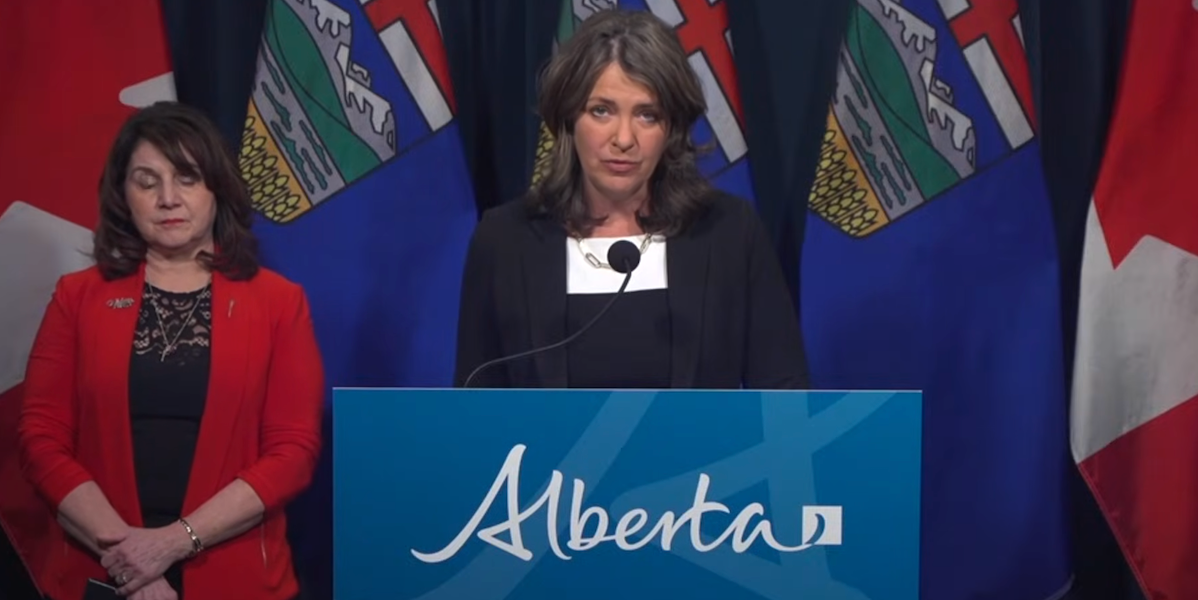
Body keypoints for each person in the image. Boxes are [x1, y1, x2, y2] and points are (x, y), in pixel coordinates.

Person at [18, 101, 324, 600]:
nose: (167, 198)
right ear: (123, 195)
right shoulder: (78, 297)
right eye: (147, 181)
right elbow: (41, 438)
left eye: (186, 177)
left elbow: (293, 451)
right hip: (101, 576)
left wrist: (172, 544)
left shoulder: (278, 302)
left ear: (215, 189)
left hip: (237, 579)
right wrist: (132, 561)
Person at [454, 8, 807, 389]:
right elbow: (475, 410)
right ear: (569, 119)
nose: (623, 139)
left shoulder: (729, 233)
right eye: (601, 111)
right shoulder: (505, 241)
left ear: (671, 128)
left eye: (647, 115)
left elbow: (783, 400)